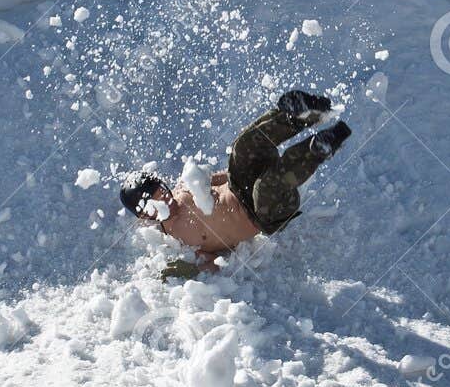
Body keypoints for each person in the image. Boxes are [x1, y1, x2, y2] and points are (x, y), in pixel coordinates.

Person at [120, 90, 351, 278]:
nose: (164, 199)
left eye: (161, 190)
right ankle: (317, 149)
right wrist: (190, 270)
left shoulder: (183, 187)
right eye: (153, 202)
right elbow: (215, 263)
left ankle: (299, 116)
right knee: (267, 187)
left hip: (240, 186)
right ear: (145, 216)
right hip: (264, 214)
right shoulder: (176, 238)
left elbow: (223, 176)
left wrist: (240, 166)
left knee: (242, 147)